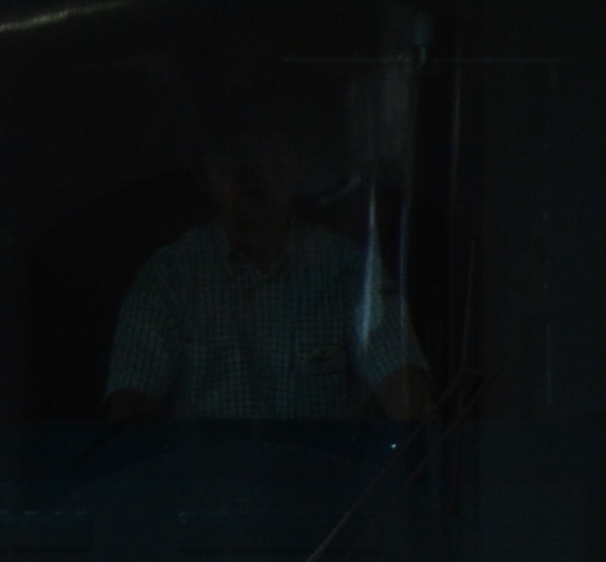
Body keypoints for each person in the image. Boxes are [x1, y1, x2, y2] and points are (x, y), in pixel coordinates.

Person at [101, 120, 433, 425]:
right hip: (205, 485)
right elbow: (129, 406)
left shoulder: (348, 270)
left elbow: (404, 390)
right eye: (232, 159)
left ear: (298, 167)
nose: (250, 173)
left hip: (326, 485)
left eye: (268, 155)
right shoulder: (170, 275)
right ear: (204, 176)